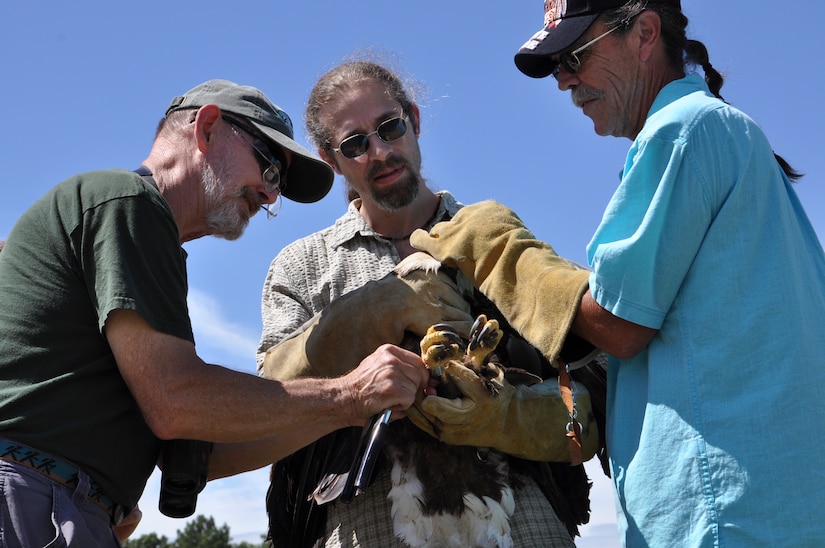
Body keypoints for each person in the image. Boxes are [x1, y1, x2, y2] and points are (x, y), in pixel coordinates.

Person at [409, 1, 825, 546]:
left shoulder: (682, 131)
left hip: (721, 518)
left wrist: (500, 251)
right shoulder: (725, 136)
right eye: (556, 65)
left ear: (645, 33)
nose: (564, 82)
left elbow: (619, 324)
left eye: (575, 56)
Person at [0, 79, 434, 547]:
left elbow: (202, 448)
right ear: (207, 128)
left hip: (66, 504)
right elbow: (175, 401)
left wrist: (352, 409)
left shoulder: (145, 239)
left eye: (279, 187)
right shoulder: (126, 201)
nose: (270, 197)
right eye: (269, 167)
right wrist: (347, 395)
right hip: (32, 495)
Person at [256, 59, 605, 547]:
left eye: (389, 127)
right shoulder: (304, 268)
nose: (379, 151)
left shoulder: (493, 236)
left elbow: (586, 410)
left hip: (523, 523)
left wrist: (509, 415)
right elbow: (265, 408)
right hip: (370, 525)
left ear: (414, 121)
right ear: (331, 160)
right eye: (355, 144)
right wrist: (374, 312)